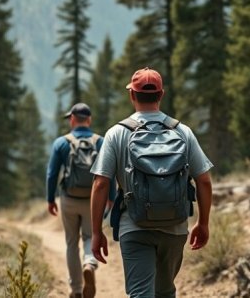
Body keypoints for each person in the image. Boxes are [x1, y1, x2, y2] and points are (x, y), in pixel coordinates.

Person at [89, 67, 214, 297]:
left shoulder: (116, 133)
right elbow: (204, 181)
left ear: (132, 95)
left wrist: (96, 231)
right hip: (175, 227)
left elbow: (100, 184)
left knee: (141, 293)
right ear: (161, 95)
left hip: (134, 225)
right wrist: (203, 222)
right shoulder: (182, 131)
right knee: (165, 292)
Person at [46, 102, 116, 298]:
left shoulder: (61, 143)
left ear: (73, 120)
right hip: (94, 199)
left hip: (69, 198)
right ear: (89, 120)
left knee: (70, 243)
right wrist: (110, 198)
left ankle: (76, 290)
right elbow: (109, 173)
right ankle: (90, 263)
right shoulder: (101, 142)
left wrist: (50, 199)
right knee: (89, 236)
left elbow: (52, 174)